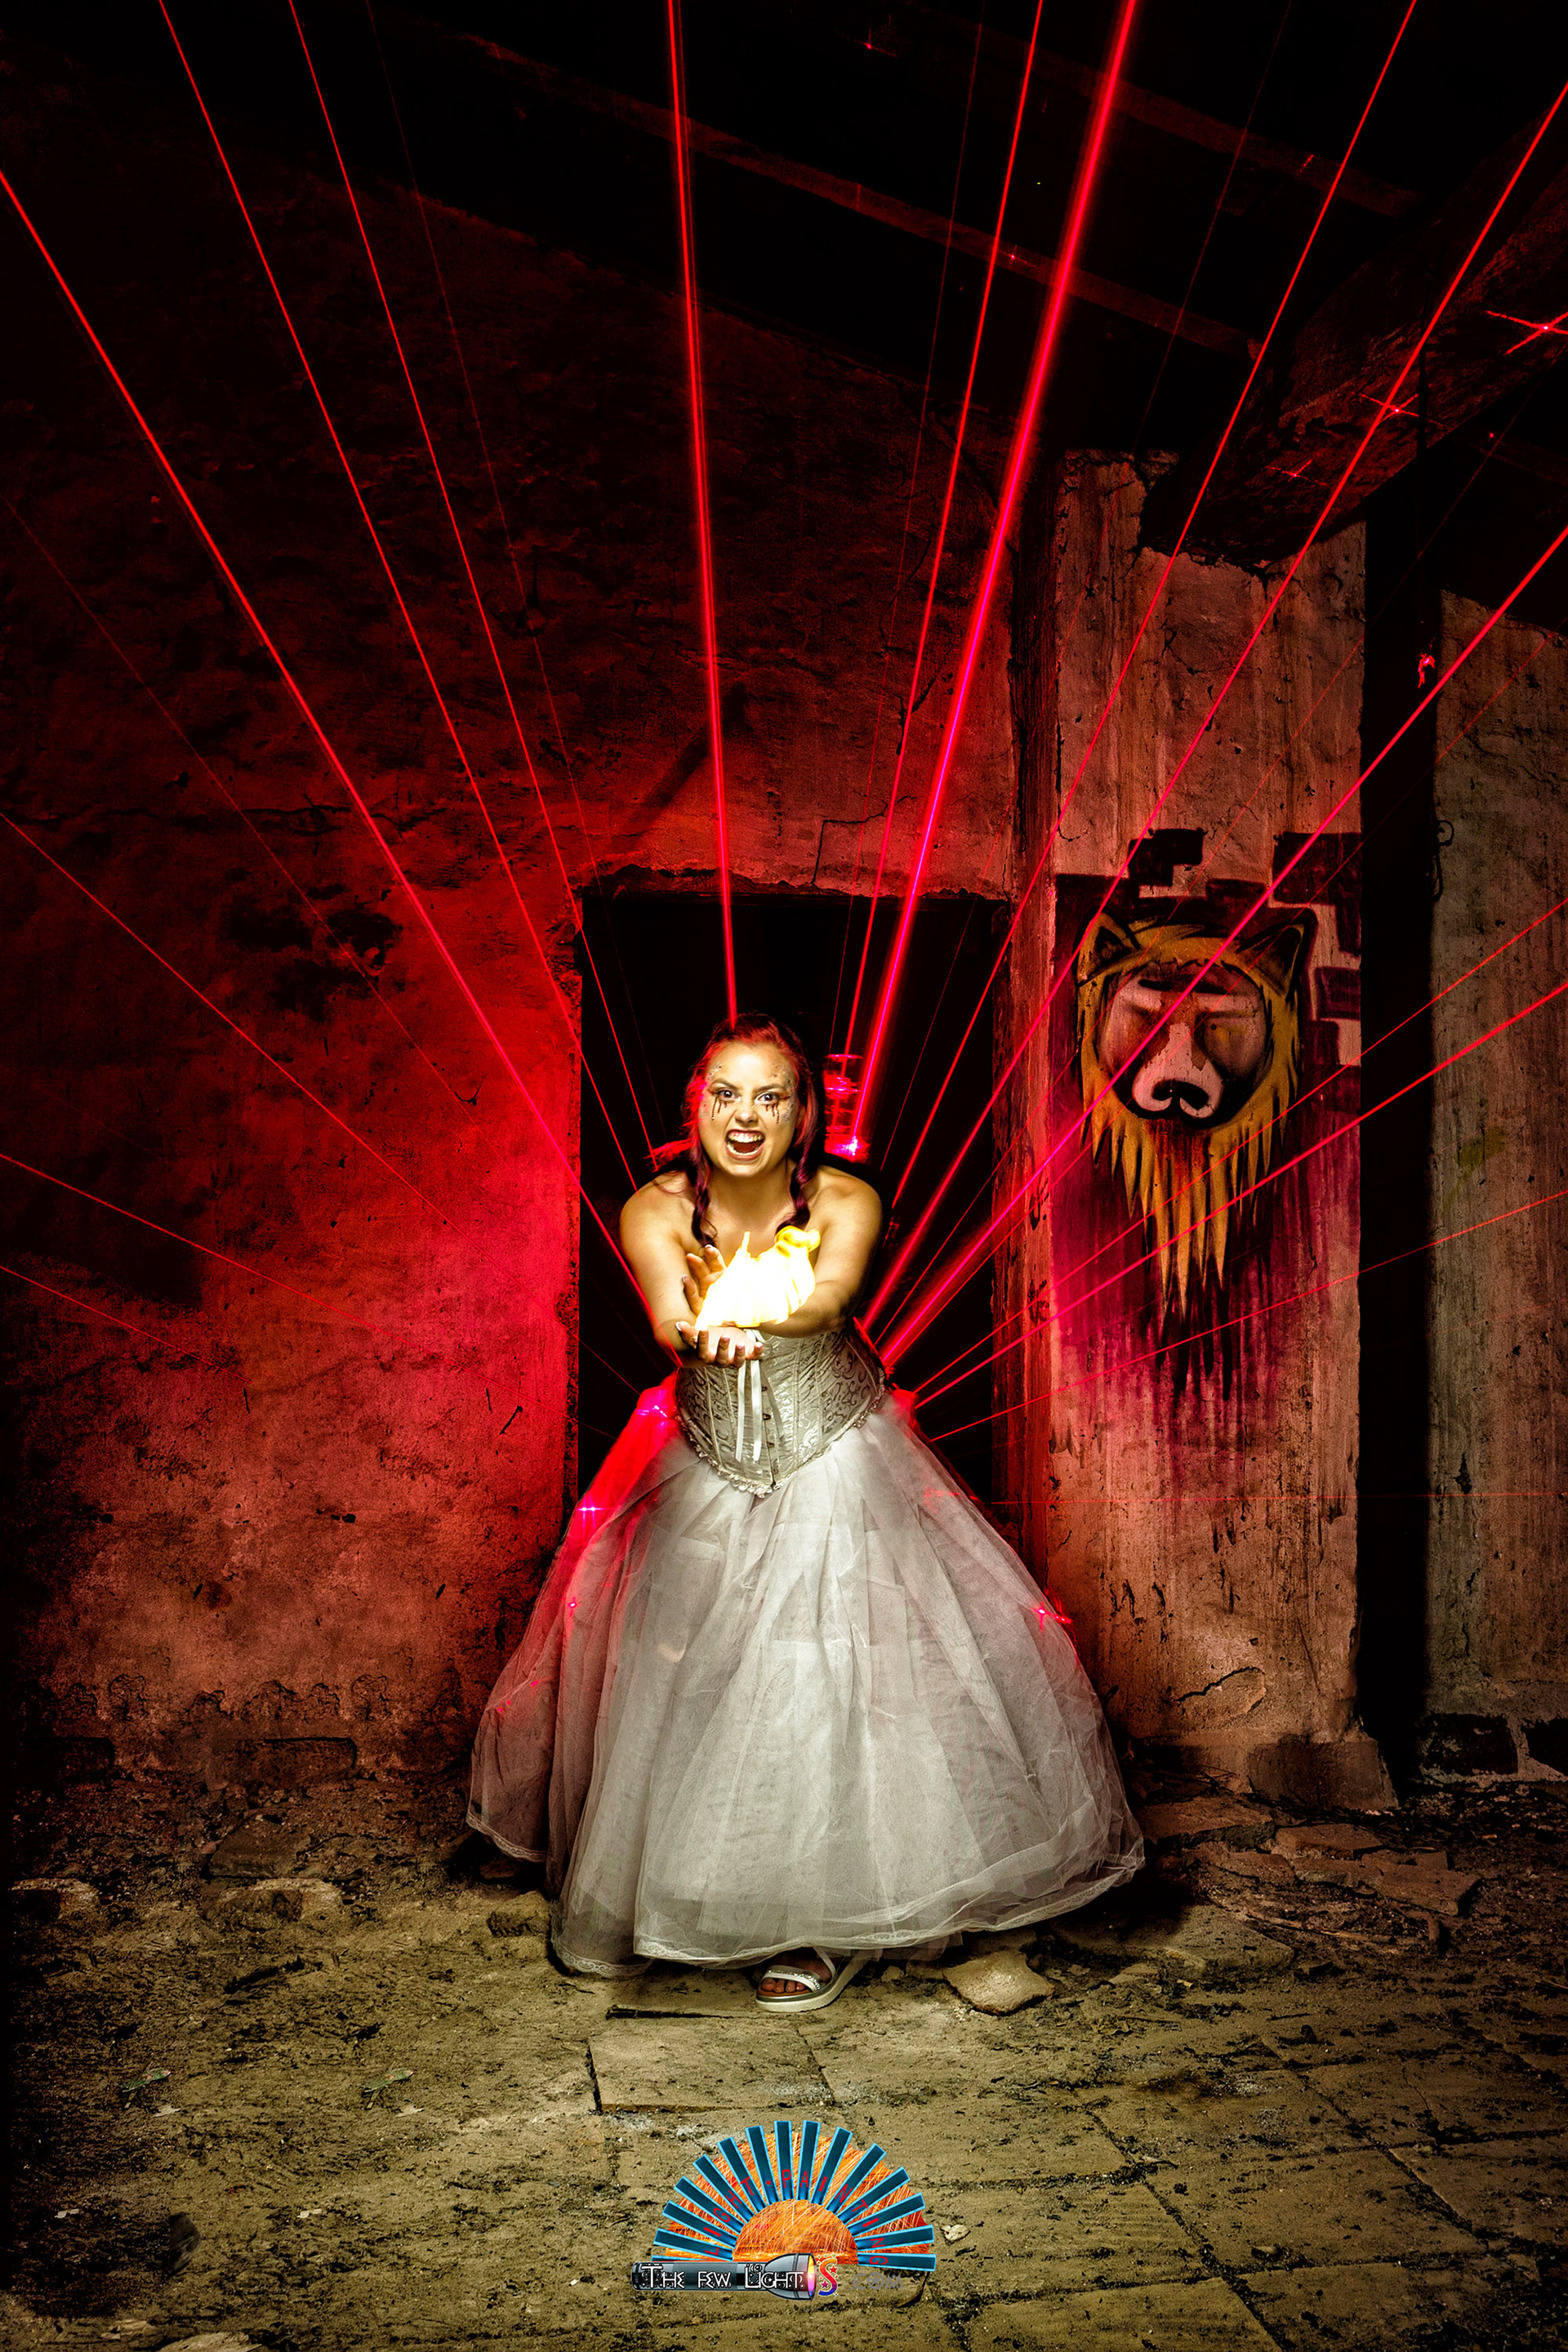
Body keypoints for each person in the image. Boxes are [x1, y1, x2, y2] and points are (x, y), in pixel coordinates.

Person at [468, 1013, 1143, 2007]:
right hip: (706, 1466)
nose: (746, 1115)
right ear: (697, 1105)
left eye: (770, 1096)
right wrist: (700, 1335)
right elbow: (667, 1311)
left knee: (829, 1679)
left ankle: (828, 1921)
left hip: (836, 1461)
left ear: (803, 1112)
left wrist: (756, 1312)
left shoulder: (844, 1198)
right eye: (726, 1094)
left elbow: (829, 1298)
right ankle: (717, 1896)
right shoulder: (655, 1206)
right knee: (698, 1682)